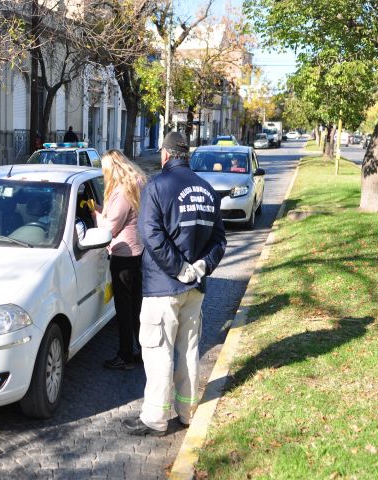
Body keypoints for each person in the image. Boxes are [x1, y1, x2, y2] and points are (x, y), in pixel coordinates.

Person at [122, 131, 226, 436]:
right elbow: (220, 239)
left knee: (158, 351)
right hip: (195, 289)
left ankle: (154, 418)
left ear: (165, 155)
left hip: (163, 287)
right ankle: (188, 412)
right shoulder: (207, 190)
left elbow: (150, 234)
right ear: (187, 155)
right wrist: (203, 265)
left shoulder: (157, 186)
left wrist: (178, 268)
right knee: (190, 349)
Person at [92, 150, 147, 370]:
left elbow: (110, 227)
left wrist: (95, 215)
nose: (104, 175)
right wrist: (99, 209)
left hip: (124, 254)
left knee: (125, 309)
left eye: (105, 170)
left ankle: (125, 355)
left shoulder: (123, 191)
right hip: (137, 251)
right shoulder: (138, 183)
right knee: (136, 308)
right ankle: (143, 351)